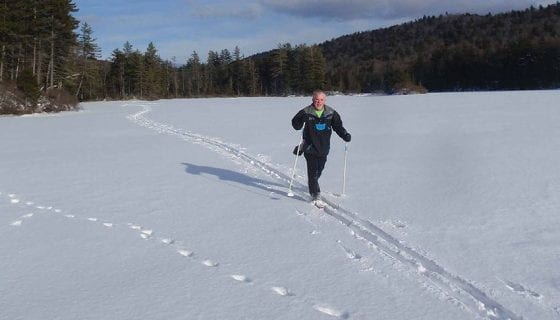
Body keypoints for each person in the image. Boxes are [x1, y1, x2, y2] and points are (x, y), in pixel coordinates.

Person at [291, 90, 351, 201]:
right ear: (313, 100)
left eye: (321, 100)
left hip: (323, 147)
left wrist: (345, 135)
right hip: (310, 147)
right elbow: (295, 123)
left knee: (319, 170)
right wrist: (299, 122)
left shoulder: (331, 113)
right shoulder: (306, 112)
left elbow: (338, 127)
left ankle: (313, 182)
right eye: (316, 99)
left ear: (325, 100)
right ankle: (315, 194)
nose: (319, 102)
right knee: (313, 172)